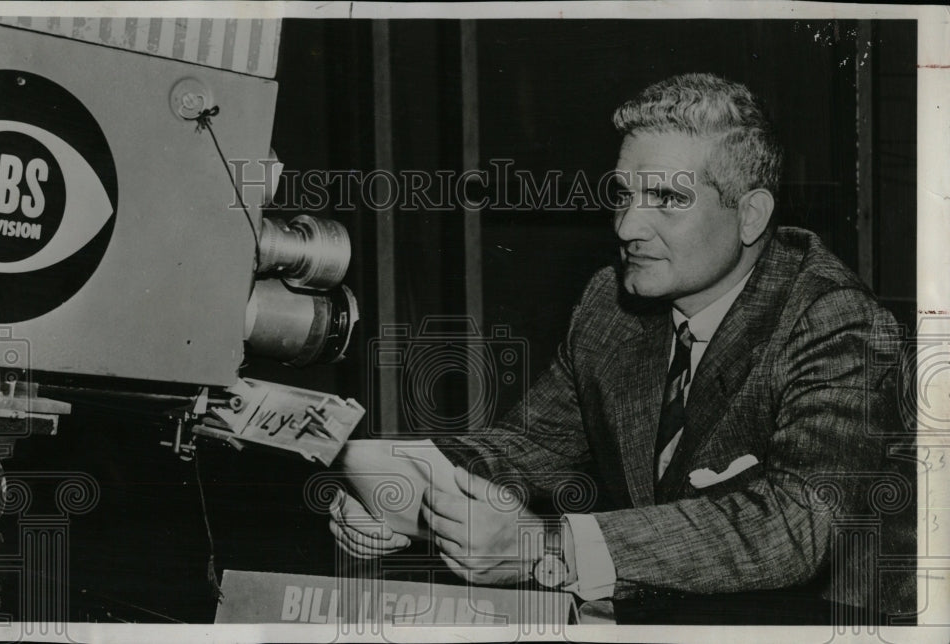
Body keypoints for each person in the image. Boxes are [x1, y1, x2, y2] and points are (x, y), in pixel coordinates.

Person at [329, 73, 913, 620]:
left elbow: (795, 526)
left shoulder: (837, 323)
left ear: (751, 215)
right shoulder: (612, 304)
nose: (627, 227)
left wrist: (542, 546)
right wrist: (405, 486)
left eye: (665, 198)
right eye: (624, 194)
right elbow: (529, 445)